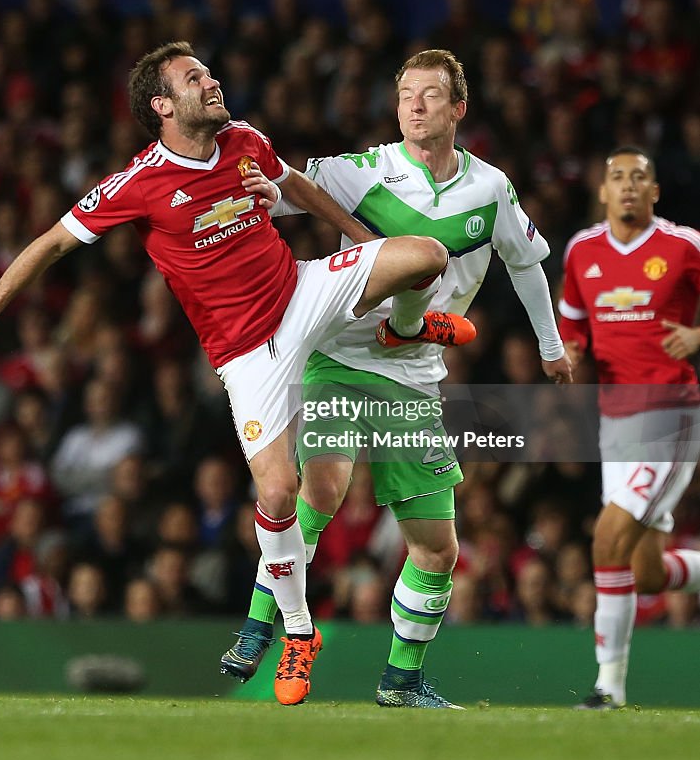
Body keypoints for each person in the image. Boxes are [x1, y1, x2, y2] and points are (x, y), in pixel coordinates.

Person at [0, 40, 473, 706]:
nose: (212, 80)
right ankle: (298, 633)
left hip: (301, 291)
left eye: (208, 71)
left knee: (422, 255)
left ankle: (406, 326)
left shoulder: (245, 140)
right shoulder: (137, 185)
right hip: (246, 353)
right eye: (195, 78)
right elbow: (52, 242)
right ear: (163, 106)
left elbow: (297, 185)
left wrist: (360, 240)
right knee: (279, 494)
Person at [221, 48, 571, 708]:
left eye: (429, 95)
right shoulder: (363, 172)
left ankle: (400, 681)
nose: (413, 104)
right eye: (405, 93)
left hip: (412, 380)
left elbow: (525, 265)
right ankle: (258, 628)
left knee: (437, 551)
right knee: (319, 489)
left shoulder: (489, 189)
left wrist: (550, 348)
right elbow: (287, 187)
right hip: (339, 359)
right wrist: (263, 195)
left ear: (457, 109)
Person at [559, 146, 700, 709]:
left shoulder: (684, 246)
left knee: (606, 537)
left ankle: (608, 688)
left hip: (672, 416)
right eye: (616, 177)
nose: (628, 186)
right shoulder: (581, 251)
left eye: (639, 178)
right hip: (613, 423)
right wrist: (567, 354)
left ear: (655, 191)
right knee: (644, 571)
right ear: (602, 191)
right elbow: (571, 327)